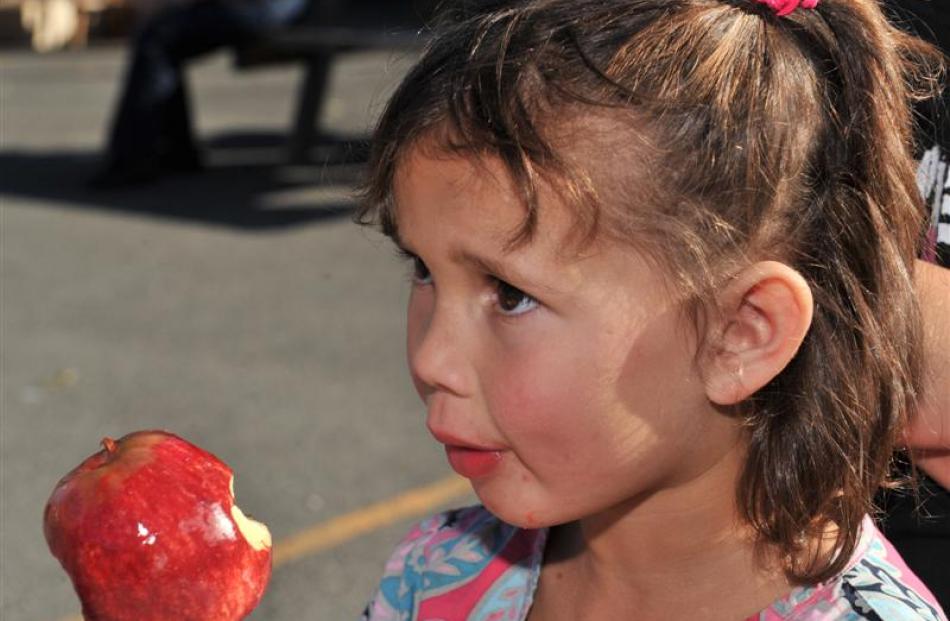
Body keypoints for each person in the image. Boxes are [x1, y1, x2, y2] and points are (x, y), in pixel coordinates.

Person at [356, 0, 948, 618]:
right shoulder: (436, 571)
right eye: (422, 269)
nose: (431, 359)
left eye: (511, 295)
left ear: (742, 333)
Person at [89, 0, 308, 188]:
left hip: (265, 8)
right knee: (162, 34)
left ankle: (136, 157)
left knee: (157, 38)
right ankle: (172, 151)